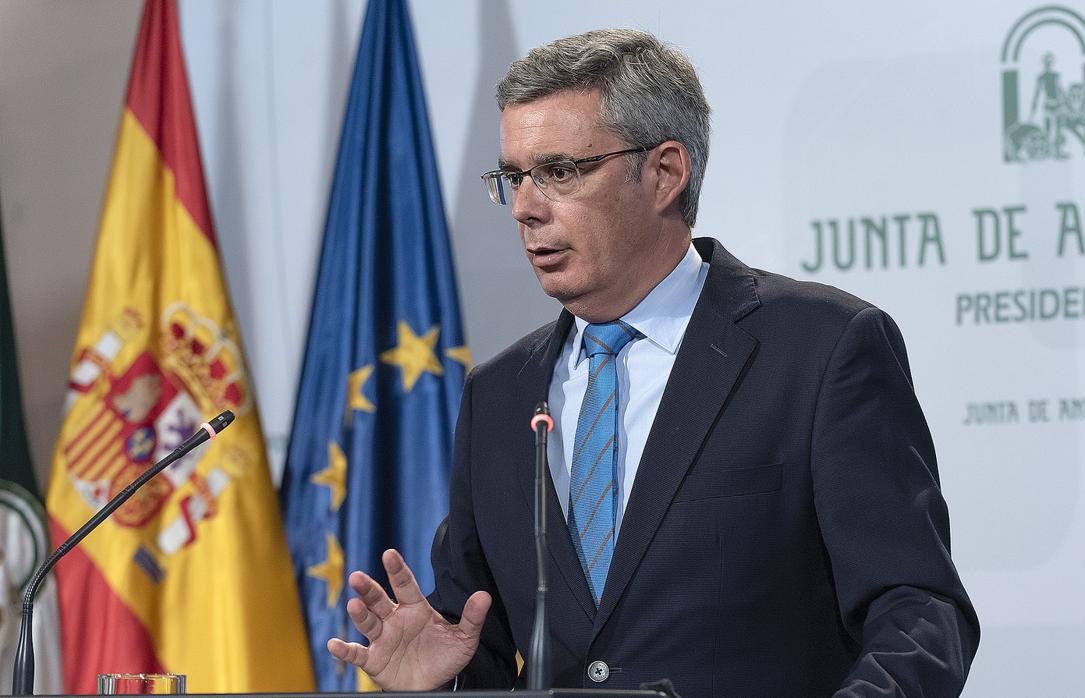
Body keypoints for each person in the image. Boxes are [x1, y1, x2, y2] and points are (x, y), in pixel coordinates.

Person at [327, 28, 979, 696]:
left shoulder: (822, 349)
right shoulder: (498, 394)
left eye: (559, 172)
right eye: (514, 177)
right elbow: (480, 641)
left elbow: (920, 614)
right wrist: (443, 678)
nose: (525, 207)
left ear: (666, 172)